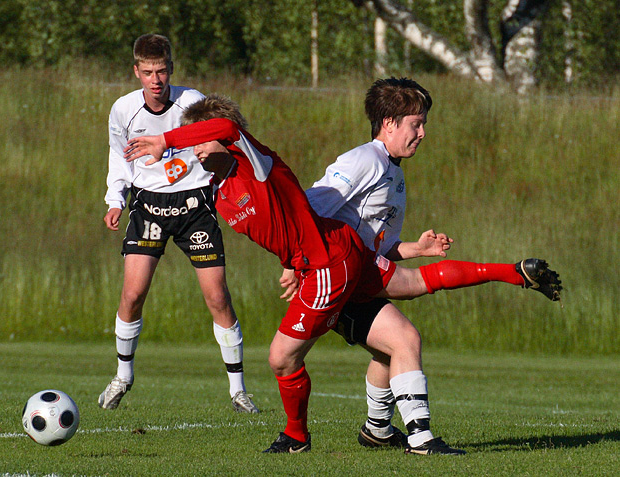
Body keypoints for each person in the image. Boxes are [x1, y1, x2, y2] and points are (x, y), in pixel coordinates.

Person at [123, 94, 562, 455]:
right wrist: (295, 262)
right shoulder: (218, 189)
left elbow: (229, 132)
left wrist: (166, 138)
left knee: (281, 358)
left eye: (201, 140)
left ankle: (298, 437)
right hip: (332, 256)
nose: (196, 148)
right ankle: (398, 430)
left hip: (330, 262)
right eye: (193, 143)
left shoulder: (253, 162)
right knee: (404, 321)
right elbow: (289, 223)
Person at [292, 77, 562, 452]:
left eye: (423, 123)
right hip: (334, 279)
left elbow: (378, 245)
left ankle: (378, 430)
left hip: (358, 274)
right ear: (389, 123)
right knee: (405, 338)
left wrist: (415, 248)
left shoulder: (393, 172)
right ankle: (420, 438)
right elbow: (307, 211)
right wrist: (295, 264)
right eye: (415, 123)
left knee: (388, 349)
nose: (422, 133)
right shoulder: (363, 160)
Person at [99, 34, 258, 414]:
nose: (156, 79)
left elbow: (221, 134)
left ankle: (238, 390)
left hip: (194, 205)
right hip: (149, 205)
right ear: (136, 71)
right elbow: (119, 156)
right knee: (132, 294)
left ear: (171, 68)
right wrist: (115, 198)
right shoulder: (123, 110)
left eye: (163, 71)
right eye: (148, 72)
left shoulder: (191, 102)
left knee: (217, 297)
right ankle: (122, 376)